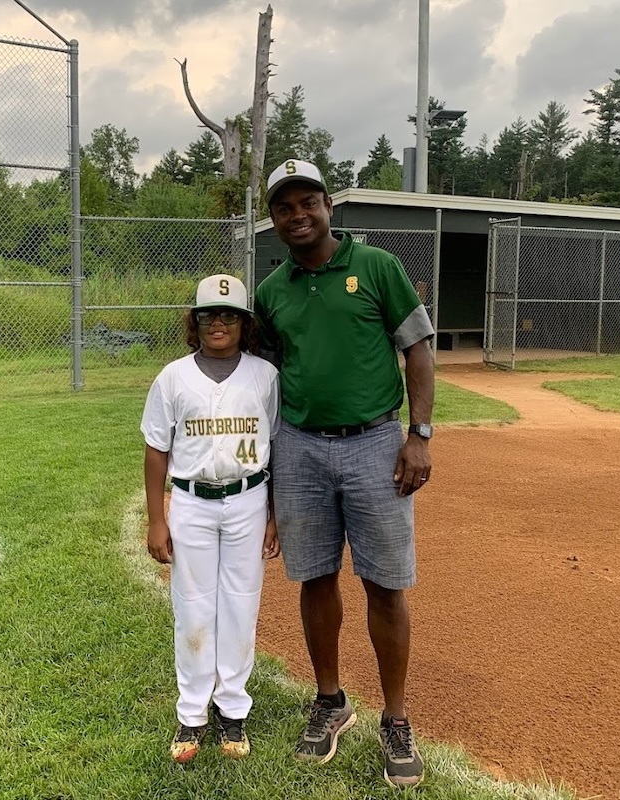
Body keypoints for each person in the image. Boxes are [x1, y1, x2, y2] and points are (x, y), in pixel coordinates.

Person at [253, 159, 435, 788]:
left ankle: (396, 718)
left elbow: (417, 348)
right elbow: (267, 377)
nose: (297, 215)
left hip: (375, 445)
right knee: (314, 577)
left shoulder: (377, 267)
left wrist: (419, 434)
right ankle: (330, 703)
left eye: (308, 202)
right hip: (299, 447)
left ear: (329, 206)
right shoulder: (271, 292)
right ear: (272, 219)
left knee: (385, 585)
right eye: (283, 207)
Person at [140, 274, 281, 763]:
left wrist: (273, 514)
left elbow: (277, 448)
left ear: (245, 324)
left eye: (229, 315)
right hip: (192, 502)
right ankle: (192, 713)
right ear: (193, 322)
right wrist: (158, 520)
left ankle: (234, 710)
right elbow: (157, 450)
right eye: (207, 315)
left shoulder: (264, 376)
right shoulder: (173, 377)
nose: (217, 323)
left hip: (248, 497)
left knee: (241, 605)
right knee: (194, 607)